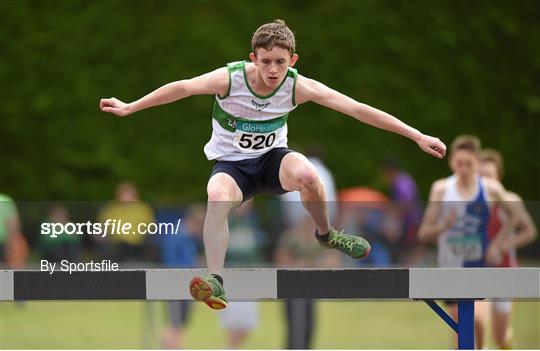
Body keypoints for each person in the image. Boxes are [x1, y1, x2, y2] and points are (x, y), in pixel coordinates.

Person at [100, 19, 446, 310]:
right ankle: (215, 280)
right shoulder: (230, 79)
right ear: (253, 58)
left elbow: (356, 108)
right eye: (265, 62)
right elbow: (183, 88)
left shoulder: (299, 86)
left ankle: (326, 235)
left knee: (309, 174)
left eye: (280, 62)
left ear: (292, 60)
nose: (272, 70)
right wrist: (131, 106)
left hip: (272, 161)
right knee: (216, 195)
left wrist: (415, 135)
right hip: (234, 167)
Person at [418, 136, 519, 349]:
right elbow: (424, 233)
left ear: (477, 162)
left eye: (469, 164)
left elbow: (514, 216)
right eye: (458, 163)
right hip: (451, 268)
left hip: (480, 265)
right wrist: (443, 226)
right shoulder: (442, 189)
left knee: (478, 320)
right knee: (462, 323)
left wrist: (499, 243)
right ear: (452, 161)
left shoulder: (490, 189)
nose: (463, 169)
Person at [479, 148, 537, 349]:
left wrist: (503, 246)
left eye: (490, 176)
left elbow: (529, 231)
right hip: (478, 272)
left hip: (505, 272)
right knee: (473, 327)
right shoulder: (472, 202)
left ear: (499, 176)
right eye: (481, 176)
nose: (486, 181)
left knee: (500, 337)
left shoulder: (510, 200)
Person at [158, 203, 205, 349]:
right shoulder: (177, 236)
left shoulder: (189, 238)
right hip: (175, 286)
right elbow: (171, 262)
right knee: (174, 324)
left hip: (186, 287)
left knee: (180, 325)